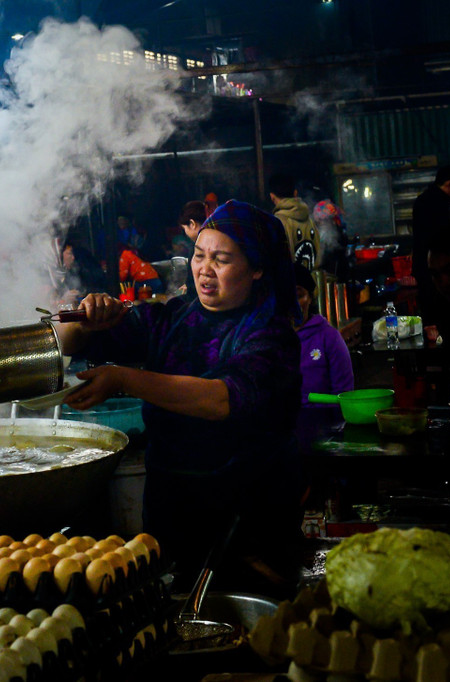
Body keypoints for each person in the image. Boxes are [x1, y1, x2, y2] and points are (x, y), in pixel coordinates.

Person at [57, 200, 303, 592]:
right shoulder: (173, 319)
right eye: (199, 255)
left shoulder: (272, 336)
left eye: (221, 259)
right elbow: (71, 344)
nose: (205, 269)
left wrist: (125, 379)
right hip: (171, 518)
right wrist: (85, 318)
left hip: (249, 528)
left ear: (257, 268)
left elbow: (221, 399)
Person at [293, 263, 354, 404]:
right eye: (284, 297)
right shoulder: (269, 339)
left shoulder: (328, 338)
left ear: (310, 298)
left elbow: (344, 396)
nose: (292, 304)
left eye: (298, 295)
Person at [412, 166, 450, 336]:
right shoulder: (442, 203)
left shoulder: (421, 199)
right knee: (443, 308)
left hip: (424, 264)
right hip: (437, 261)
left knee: (430, 310)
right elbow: (444, 238)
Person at [269, 173, 320, 270]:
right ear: (295, 193)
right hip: (314, 282)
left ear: (272, 196)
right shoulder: (310, 220)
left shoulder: (276, 222)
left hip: (291, 284)